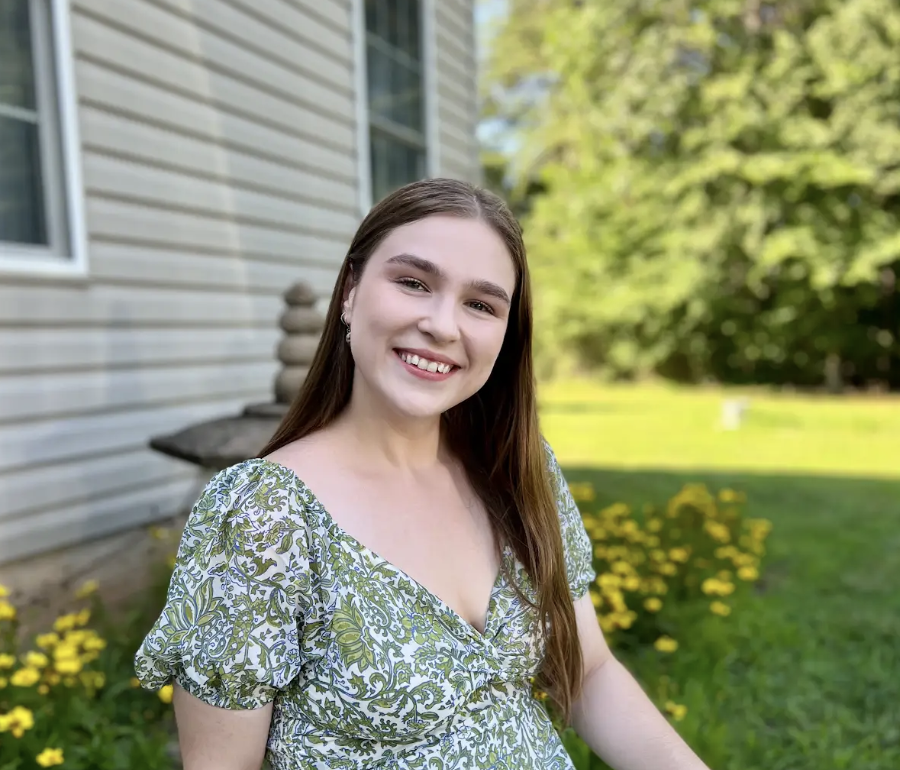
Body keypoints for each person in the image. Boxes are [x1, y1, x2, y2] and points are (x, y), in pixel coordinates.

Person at [134, 178, 711, 770]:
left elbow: (589, 673)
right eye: (413, 283)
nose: (443, 325)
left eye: (481, 305)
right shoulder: (266, 514)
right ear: (350, 293)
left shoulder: (513, 468)